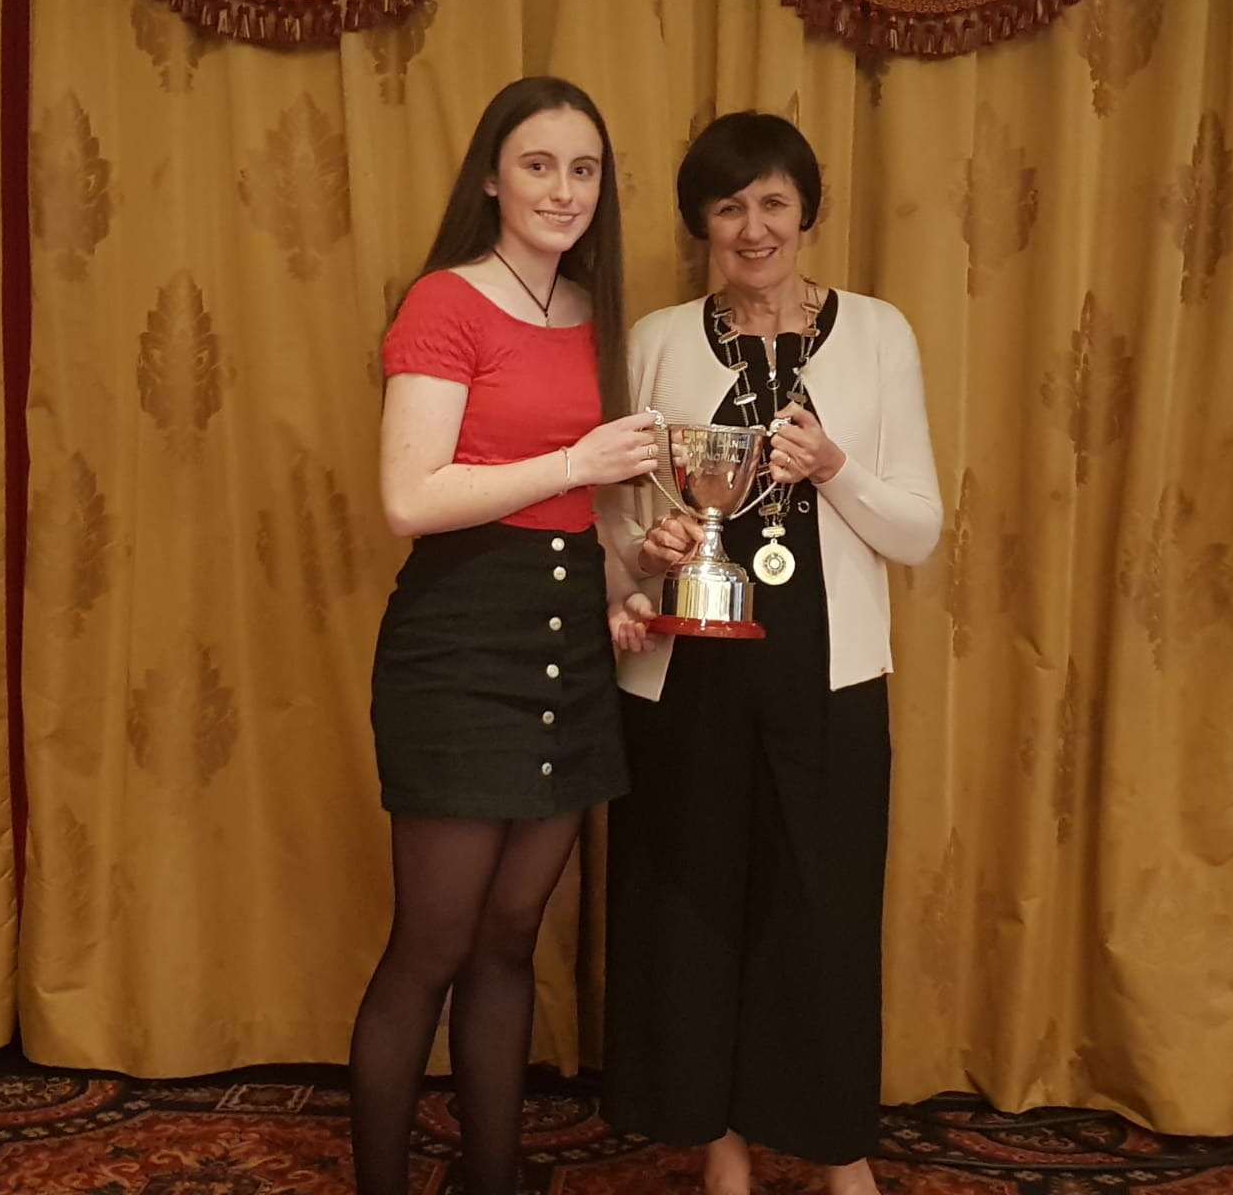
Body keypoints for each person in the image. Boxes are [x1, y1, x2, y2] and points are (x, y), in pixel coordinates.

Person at [600, 111, 943, 1195]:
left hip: (828, 675)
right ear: (700, 223)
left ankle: (840, 1152)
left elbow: (917, 531)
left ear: (807, 213)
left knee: (824, 910)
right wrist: (648, 550)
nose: (753, 228)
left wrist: (835, 467)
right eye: (728, 206)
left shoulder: (879, 334)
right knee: (690, 908)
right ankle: (721, 1149)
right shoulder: (656, 340)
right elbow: (618, 521)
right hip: (685, 671)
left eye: (774, 203)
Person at [352, 76, 660, 1195]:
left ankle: (492, 1178)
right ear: (491, 176)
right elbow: (411, 499)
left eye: (584, 169)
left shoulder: (591, 311)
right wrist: (577, 461)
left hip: (565, 642)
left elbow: (579, 514)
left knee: (510, 939)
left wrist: (632, 575)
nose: (563, 190)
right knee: (431, 946)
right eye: (538, 165)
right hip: (457, 646)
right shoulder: (445, 301)